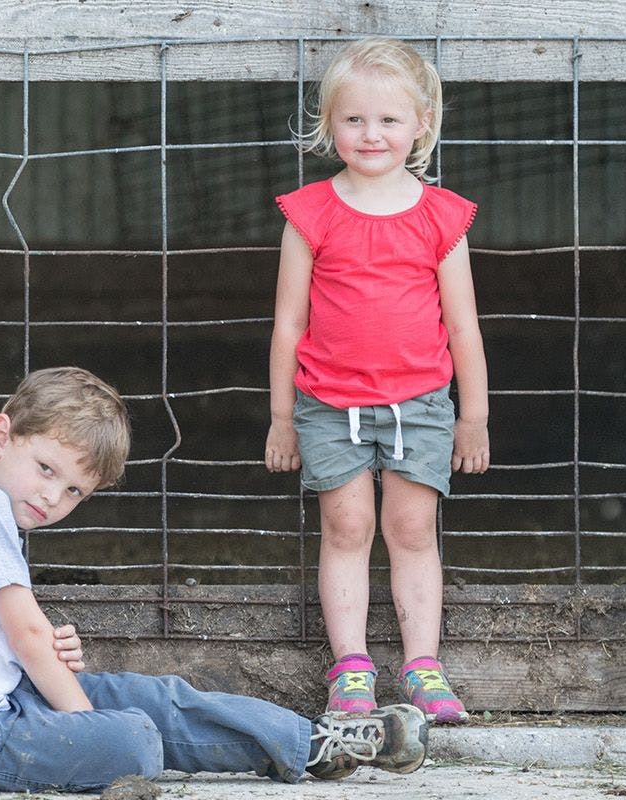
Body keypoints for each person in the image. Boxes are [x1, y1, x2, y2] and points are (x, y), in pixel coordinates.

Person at [0, 366, 429, 792]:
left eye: (74, 491)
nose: (52, 496)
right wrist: (83, 719)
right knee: (132, 736)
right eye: (47, 470)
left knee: (155, 698)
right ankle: (297, 742)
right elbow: (23, 634)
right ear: (2, 436)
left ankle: (312, 742)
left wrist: (48, 645)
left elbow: (7, 632)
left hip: (2, 703)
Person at [264, 37, 489, 724]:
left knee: (413, 526)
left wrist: (471, 415)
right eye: (355, 119)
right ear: (330, 124)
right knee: (347, 522)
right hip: (329, 404)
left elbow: (463, 325)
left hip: (420, 403)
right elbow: (287, 324)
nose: (372, 134)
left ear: (421, 124)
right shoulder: (309, 215)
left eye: (389, 120)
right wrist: (282, 417)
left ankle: (423, 665)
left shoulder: (441, 217)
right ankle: (352, 668)